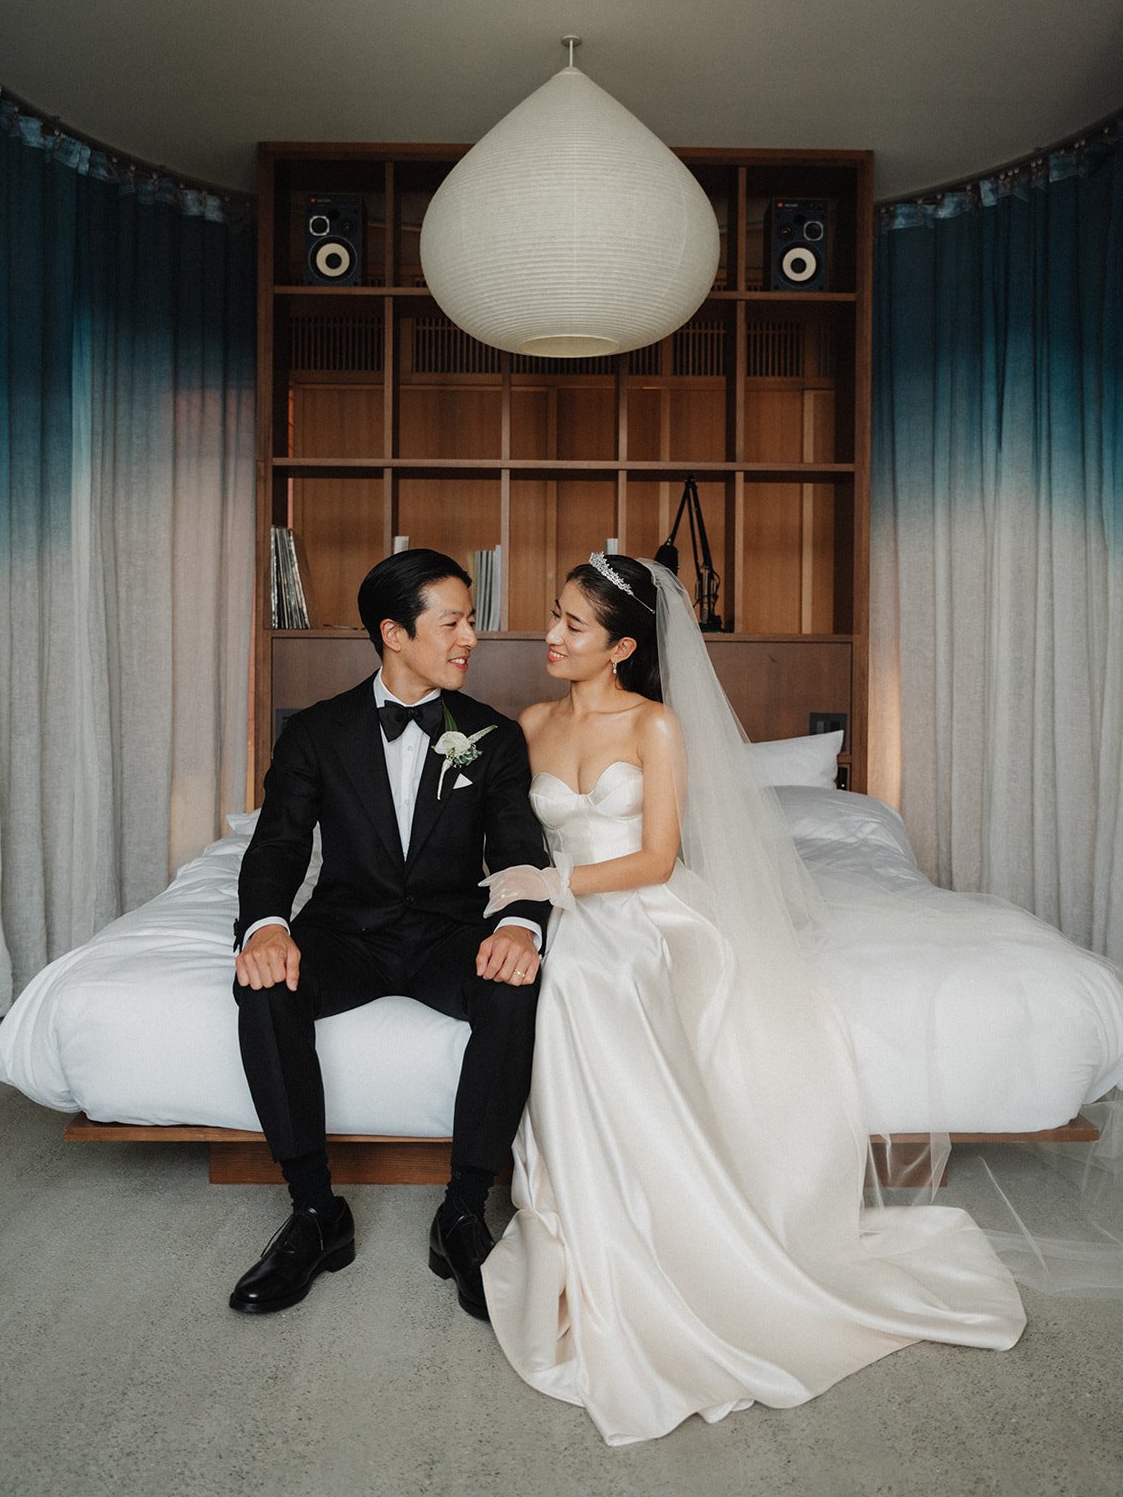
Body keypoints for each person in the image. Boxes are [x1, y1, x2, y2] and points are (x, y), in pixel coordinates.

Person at [478, 554, 1026, 1446]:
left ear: (620, 646)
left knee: (586, 975)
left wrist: (554, 881)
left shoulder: (655, 727)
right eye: (554, 615)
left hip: (639, 908)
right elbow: (500, 831)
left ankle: (636, 1220)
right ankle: (577, 1207)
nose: (551, 635)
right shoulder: (529, 723)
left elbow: (656, 859)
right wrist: (514, 889)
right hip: (558, 905)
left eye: (574, 624)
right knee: (553, 967)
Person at [229, 548, 550, 1319]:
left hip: (447, 931)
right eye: (453, 622)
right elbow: (277, 845)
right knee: (261, 987)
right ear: (394, 633)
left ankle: (464, 1213)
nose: (471, 636)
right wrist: (266, 927)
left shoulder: (492, 736)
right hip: (347, 931)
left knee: (515, 988)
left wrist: (517, 923)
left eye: (470, 620)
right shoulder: (315, 732)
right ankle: (314, 1212)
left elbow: (517, 848)